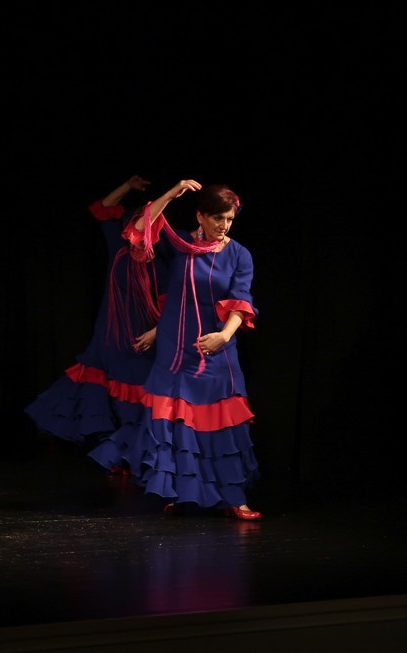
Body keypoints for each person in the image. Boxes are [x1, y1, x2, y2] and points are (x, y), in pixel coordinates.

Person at [88, 179, 262, 520]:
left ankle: (233, 498)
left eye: (229, 219)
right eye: (217, 219)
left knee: (221, 426)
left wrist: (224, 336)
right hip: (175, 352)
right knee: (177, 426)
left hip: (216, 352)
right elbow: (140, 228)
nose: (223, 226)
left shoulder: (239, 254)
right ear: (200, 216)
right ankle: (178, 493)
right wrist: (170, 193)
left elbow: (242, 303)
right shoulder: (180, 244)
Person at [24, 175, 165, 468]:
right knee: (103, 392)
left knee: (134, 396)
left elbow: (175, 305)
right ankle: (114, 455)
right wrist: (128, 185)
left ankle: (127, 457)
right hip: (110, 332)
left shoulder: (164, 263)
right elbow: (103, 208)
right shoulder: (119, 246)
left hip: (143, 338)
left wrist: (157, 332)